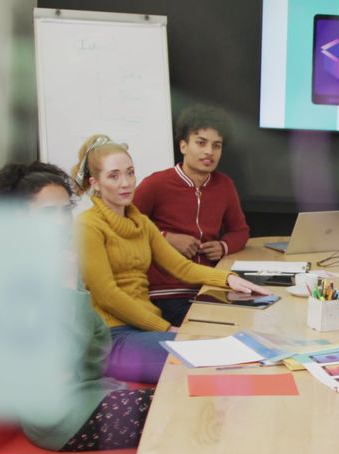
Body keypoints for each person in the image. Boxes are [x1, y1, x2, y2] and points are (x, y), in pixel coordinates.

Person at [0, 162, 154, 451]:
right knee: (186, 415)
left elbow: (97, 344)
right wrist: (66, 290)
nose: (62, 223)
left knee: (192, 401)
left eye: (66, 211)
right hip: (61, 419)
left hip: (90, 394)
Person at [72, 134, 268, 384]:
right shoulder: (88, 225)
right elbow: (107, 295)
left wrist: (229, 278)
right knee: (212, 358)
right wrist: (164, 328)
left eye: (130, 173)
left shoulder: (140, 222)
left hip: (144, 328)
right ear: (95, 183)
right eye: (114, 176)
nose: (126, 183)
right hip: (112, 338)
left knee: (233, 346)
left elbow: (182, 267)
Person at [134, 105, 250, 326]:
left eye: (217, 146)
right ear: (183, 146)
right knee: (212, 332)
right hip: (167, 293)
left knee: (250, 321)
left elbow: (240, 231)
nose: (209, 152)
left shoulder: (224, 185)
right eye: (201, 143)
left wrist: (223, 246)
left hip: (210, 286)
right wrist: (166, 238)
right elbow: (126, 226)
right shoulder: (156, 184)